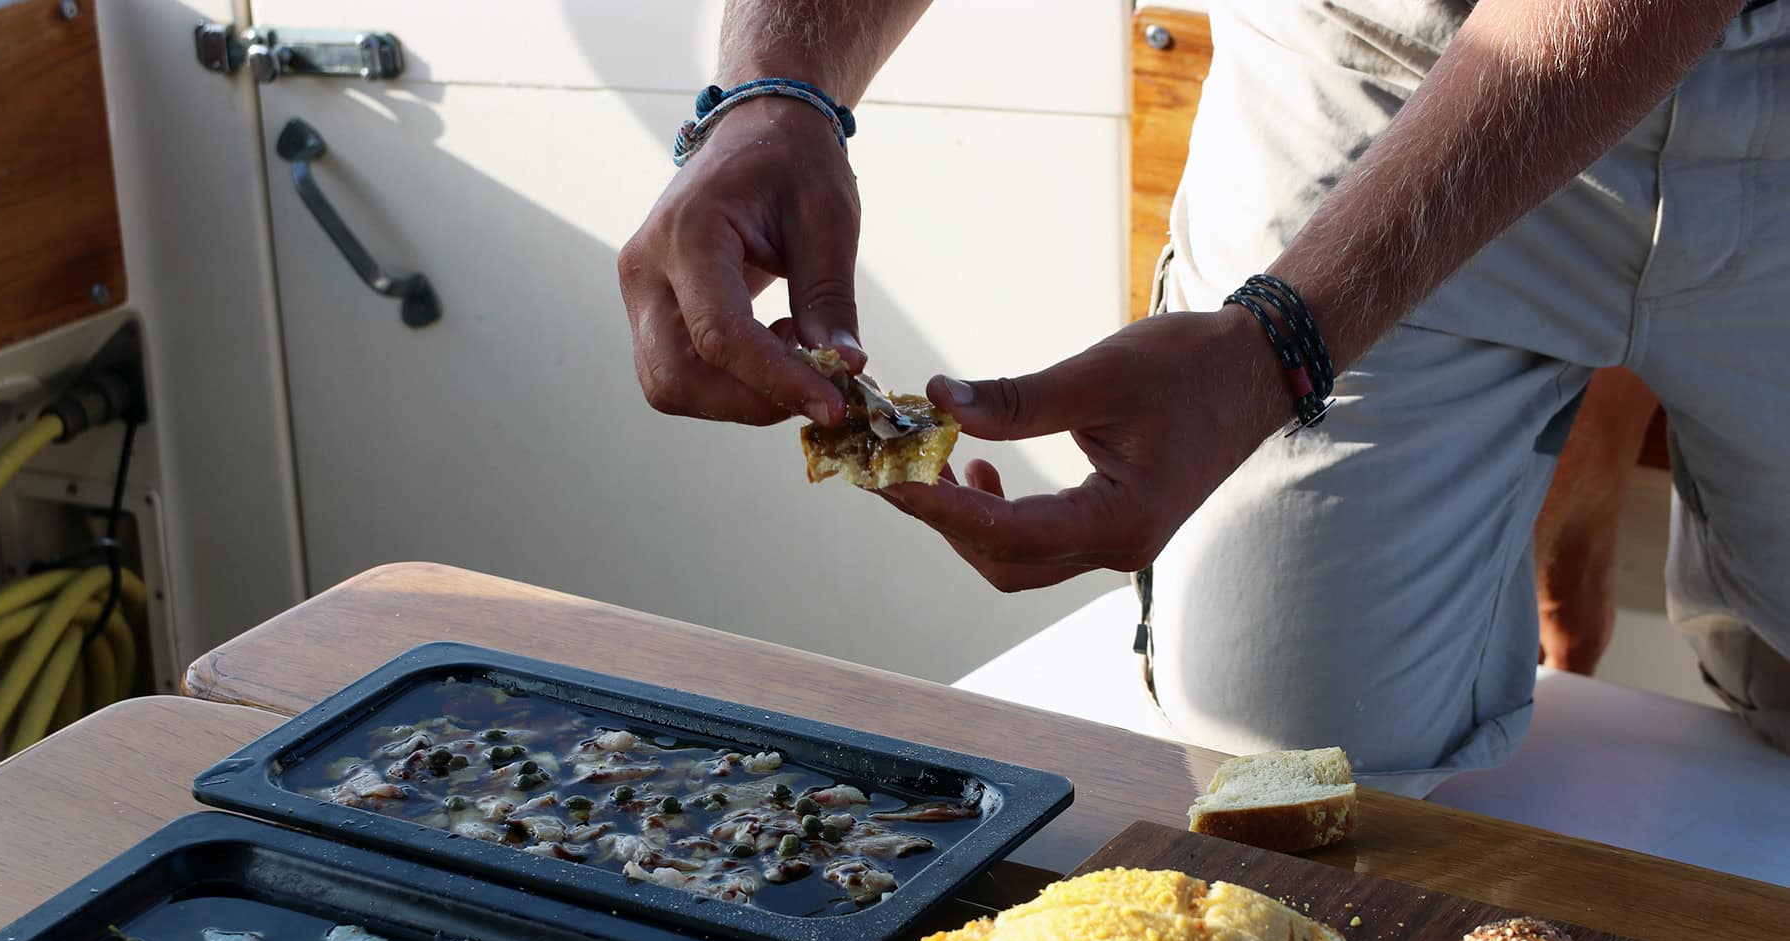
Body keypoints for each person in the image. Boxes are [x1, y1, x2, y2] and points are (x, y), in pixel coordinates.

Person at [618, 0, 1790, 796]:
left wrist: (1269, 349)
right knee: (1285, 758)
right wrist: (776, 93)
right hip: (1383, 60)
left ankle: (1595, 409)